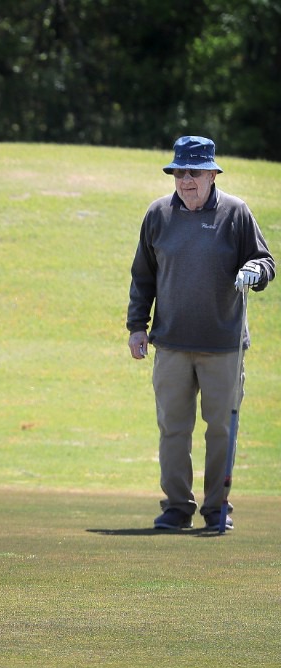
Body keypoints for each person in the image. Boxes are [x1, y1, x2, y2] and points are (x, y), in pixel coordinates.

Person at [126, 135, 274, 532]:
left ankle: (216, 507)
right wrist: (137, 326)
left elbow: (265, 261)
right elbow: (143, 276)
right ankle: (176, 506)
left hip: (223, 345)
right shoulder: (158, 214)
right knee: (173, 428)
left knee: (221, 429)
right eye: (178, 172)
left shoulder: (236, 213)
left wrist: (254, 271)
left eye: (193, 171)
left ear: (212, 173)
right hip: (171, 344)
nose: (185, 180)